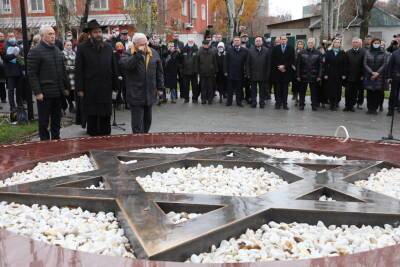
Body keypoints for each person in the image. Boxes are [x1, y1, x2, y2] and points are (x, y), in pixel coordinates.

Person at [75, 19, 119, 136]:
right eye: (95, 32)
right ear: (90, 34)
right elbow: (78, 70)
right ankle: (93, 143)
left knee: (105, 118)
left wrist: (115, 86)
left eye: (100, 32)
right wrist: (79, 89)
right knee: (92, 118)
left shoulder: (108, 48)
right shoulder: (82, 48)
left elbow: (113, 68)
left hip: (105, 88)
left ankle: (106, 142)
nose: (98, 34)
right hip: (90, 89)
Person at [27, 26, 69, 141]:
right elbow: (32, 74)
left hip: (58, 92)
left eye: (53, 33)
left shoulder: (57, 50)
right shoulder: (35, 51)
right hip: (44, 93)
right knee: (44, 121)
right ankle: (44, 143)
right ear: (42, 36)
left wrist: (65, 88)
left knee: (57, 119)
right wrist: (37, 92)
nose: (53, 36)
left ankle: (56, 140)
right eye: (50, 34)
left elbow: (62, 71)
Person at [120, 33, 164, 133]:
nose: (144, 46)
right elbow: (127, 65)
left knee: (147, 121)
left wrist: (160, 88)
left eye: (145, 43)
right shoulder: (127, 54)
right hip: (135, 94)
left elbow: (159, 72)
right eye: (141, 44)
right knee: (137, 124)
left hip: (149, 93)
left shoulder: (153, 53)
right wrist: (138, 54)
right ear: (134, 44)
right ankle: (138, 142)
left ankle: (145, 140)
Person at [363, 38, 389, 115]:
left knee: (377, 93)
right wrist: (371, 72)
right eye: (375, 43)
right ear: (372, 43)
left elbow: (384, 64)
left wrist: (377, 73)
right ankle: (369, 108)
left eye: (378, 43)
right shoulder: (367, 52)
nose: (376, 44)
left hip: (379, 76)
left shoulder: (383, 52)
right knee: (369, 92)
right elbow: (365, 63)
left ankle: (375, 108)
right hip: (369, 75)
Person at [296, 38, 322, 111]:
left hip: (314, 76)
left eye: (312, 43)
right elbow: (298, 65)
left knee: (314, 92)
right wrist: (298, 75)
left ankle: (314, 105)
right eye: (309, 42)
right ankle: (301, 105)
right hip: (303, 75)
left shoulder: (318, 53)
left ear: (314, 44)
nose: (310, 44)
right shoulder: (301, 52)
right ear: (307, 43)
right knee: (302, 92)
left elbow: (320, 66)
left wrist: (319, 76)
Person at [270, 35, 295, 110]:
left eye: (285, 39)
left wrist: (284, 66)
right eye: (282, 39)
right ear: (280, 40)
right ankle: (278, 103)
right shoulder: (276, 48)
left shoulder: (291, 48)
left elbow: (292, 59)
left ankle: (285, 104)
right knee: (277, 89)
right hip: (277, 71)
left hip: (286, 72)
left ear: (287, 40)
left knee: (285, 89)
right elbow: (273, 59)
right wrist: (279, 66)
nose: (283, 40)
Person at [247, 36, 271, 109]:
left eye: (259, 41)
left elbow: (268, 63)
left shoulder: (266, 50)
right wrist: (248, 73)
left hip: (263, 74)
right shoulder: (250, 50)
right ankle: (254, 102)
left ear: (262, 42)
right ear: (254, 42)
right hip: (253, 74)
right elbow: (247, 63)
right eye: (256, 41)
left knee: (262, 90)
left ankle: (262, 102)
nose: (258, 42)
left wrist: (267, 74)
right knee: (253, 90)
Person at [224, 36, 248, 107]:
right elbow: (225, 61)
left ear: (240, 42)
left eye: (238, 40)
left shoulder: (245, 51)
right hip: (230, 73)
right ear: (233, 42)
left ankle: (239, 102)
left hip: (240, 73)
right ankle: (229, 102)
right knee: (230, 89)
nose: (236, 42)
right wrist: (225, 71)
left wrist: (246, 72)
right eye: (235, 40)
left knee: (239, 89)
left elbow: (247, 62)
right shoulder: (229, 50)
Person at [324, 39, 346, 111]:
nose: (337, 44)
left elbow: (344, 64)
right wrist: (326, 74)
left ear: (340, 44)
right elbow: (326, 64)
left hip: (339, 74)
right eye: (335, 42)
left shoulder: (342, 53)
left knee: (338, 89)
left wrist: (343, 74)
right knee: (331, 89)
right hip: (330, 73)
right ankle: (332, 103)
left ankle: (336, 102)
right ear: (333, 44)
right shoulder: (329, 52)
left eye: (338, 42)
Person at [3, 32, 23, 112]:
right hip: (10, 71)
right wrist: (14, 55)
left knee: (19, 89)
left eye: (13, 36)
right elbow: (5, 58)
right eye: (10, 36)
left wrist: (21, 59)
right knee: (11, 90)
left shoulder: (18, 46)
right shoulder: (4, 47)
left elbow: (21, 56)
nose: (12, 37)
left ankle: (20, 104)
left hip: (18, 71)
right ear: (7, 37)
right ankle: (12, 106)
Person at [344, 38, 366, 112]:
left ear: (359, 43)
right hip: (349, 76)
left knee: (355, 92)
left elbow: (364, 65)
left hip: (358, 76)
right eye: (353, 42)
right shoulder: (348, 52)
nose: (355, 43)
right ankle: (347, 105)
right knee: (347, 92)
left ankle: (352, 106)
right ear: (352, 43)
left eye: (356, 42)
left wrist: (363, 75)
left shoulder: (363, 53)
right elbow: (345, 64)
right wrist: (345, 74)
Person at [197, 40, 218, 105]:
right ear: (202, 45)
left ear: (208, 45)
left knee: (210, 87)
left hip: (210, 72)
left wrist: (215, 70)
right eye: (204, 44)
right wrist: (198, 71)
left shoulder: (212, 52)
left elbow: (215, 62)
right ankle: (203, 99)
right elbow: (197, 62)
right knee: (203, 87)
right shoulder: (199, 52)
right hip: (202, 72)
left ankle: (210, 99)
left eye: (207, 44)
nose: (205, 45)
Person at [181, 38, 199, 103]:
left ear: (194, 42)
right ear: (187, 42)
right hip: (185, 71)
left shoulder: (197, 49)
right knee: (186, 86)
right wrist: (181, 69)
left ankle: (195, 98)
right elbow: (181, 60)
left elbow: (198, 61)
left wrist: (197, 70)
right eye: (189, 41)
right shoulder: (184, 49)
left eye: (192, 41)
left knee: (195, 86)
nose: (190, 42)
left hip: (194, 71)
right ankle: (186, 98)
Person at [63, 40, 76, 113]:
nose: (69, 46)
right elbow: (63, 66)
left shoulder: (74, 53)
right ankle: (70, 105)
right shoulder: (62, 53)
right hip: (67, 76)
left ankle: (73, 105)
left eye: (70, 45)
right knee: (68, 91)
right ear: (64, 45)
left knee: (74, 91)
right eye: (67, 45)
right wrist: (71, 67)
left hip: (74, 76)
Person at [387, 46, 400, 116]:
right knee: (393, 94)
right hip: (396, 77)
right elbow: (390, 65)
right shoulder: (395, 53)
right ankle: (390, 109)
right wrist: (389, 76)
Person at [293, 40, 305, 106]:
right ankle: (296, 99)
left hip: (303, 71)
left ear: (303, 45)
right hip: (295, 71)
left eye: (301, 44)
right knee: (296, 86)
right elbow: (291, 60)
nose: (300, 45)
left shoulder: (305, 52)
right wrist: (293, 66)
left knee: (302, 86)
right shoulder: (294, 52)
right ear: (297, 45)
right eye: (299, 44)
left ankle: (301, 99)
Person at [0, 32, 6, 105]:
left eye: (2, 36)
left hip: (3, 67)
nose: (1, 37)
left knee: (2, 83)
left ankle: (3, 98)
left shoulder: (5, 44)